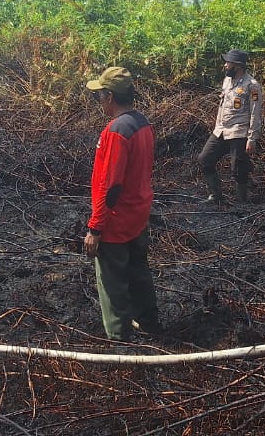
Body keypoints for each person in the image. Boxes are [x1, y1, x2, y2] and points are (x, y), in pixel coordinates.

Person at [83, 66, 160, 341]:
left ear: (109, 96)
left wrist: (95, 228)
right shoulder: (143, 123)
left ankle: (119, 337)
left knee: (112, 283)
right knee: (139, 272)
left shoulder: (115, 132)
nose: (99, 102)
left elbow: (111, 187)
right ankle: (150, 321)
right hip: (139, 214)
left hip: (116, 221)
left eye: (99, 96)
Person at [198, 49, 263, 204]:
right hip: (221, 130)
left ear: (238, 66)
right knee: (204, 159)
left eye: (228, 63)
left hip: (239, 131)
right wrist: (216, 127)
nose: (225, 65)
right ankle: (216, 196)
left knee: (239, 169)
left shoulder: (252, 86)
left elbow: (255, 113)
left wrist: (252, 138)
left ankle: (242, 202)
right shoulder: (227, 81)